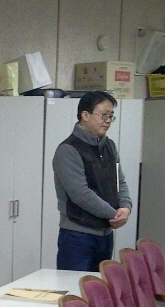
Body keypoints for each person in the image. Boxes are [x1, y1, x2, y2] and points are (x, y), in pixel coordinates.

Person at [52, 91, 132, 272]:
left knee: (100, 286)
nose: (108, 121)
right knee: (74, 287)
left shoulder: (109, 146)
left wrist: (126, 207)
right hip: (78, 235)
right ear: (85, 115)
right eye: (104, 115)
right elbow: (80, 194)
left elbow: (120, 181)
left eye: (111, 116)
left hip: (105, 234)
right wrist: (114, 214)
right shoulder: (68, 150)